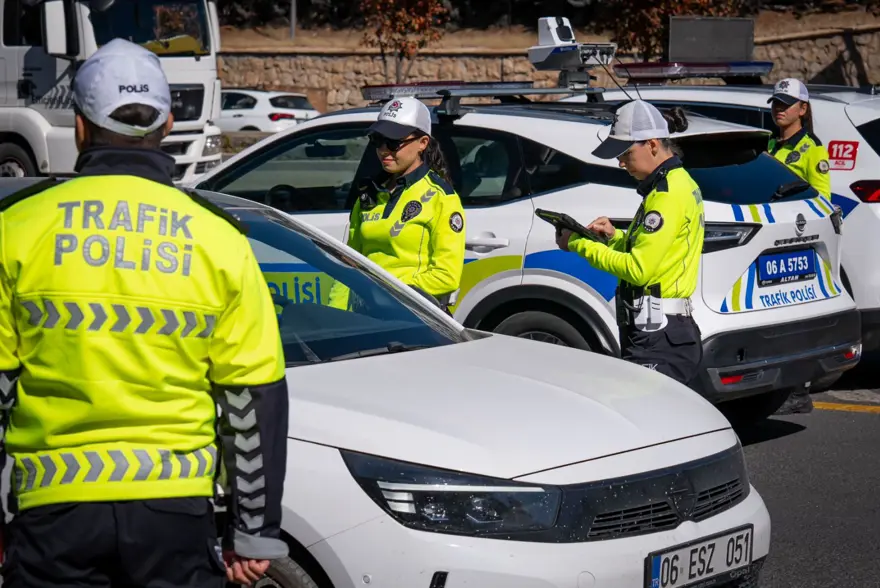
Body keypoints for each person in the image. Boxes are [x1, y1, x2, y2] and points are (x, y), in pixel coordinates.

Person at [0, 38, 288, 588]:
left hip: (53, 512)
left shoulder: (17, 227)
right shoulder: (219, 238)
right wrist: (252, 530)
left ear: (81, 127)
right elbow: (252, 394)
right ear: (169, 123)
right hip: (176, 514)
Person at [556, 100, 704, 386]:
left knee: (651, 423)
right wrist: (615, 238)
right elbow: (658, 251)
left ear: (651, 144)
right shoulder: (675, 184)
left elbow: (638, 269)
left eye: (625, 152)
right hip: (662, 331)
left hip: (658, 336)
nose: (620, 162)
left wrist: (578, 243)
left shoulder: (666, 194)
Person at [328, 97, 466, 313]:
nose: (384, 150)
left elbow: (446, 277)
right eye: (378, 140)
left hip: (412, 318)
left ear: (423, 143)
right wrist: (335, 314)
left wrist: (381, 288)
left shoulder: (442, 198)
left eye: (394, 142)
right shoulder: (369, 194)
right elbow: (350, 265)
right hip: (365, 317)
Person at [766, 78, 831, 415]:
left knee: (799, 319)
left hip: (798, 242)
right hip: (770, 241)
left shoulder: (812, 149)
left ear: (802, 110)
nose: (779, 109)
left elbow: (822, 199)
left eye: (786, 103)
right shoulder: (770, 145)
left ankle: (800, 390)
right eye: (776, 102)